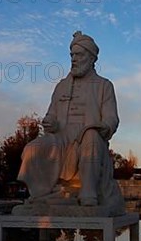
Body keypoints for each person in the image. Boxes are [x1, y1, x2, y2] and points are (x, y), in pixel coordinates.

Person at [17, 31, 122, 208]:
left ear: (91, 58)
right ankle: (42, 193)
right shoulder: (62, 86)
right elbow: (51, 113)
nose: (74, 59)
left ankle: (88, 193)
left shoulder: (104, 85)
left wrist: (101, 127)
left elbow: (112, 118)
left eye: (78, 55)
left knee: (91, 137)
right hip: (61, 137)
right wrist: (50, 121)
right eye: (71, 55)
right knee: (33, 148)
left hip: (89, 135)